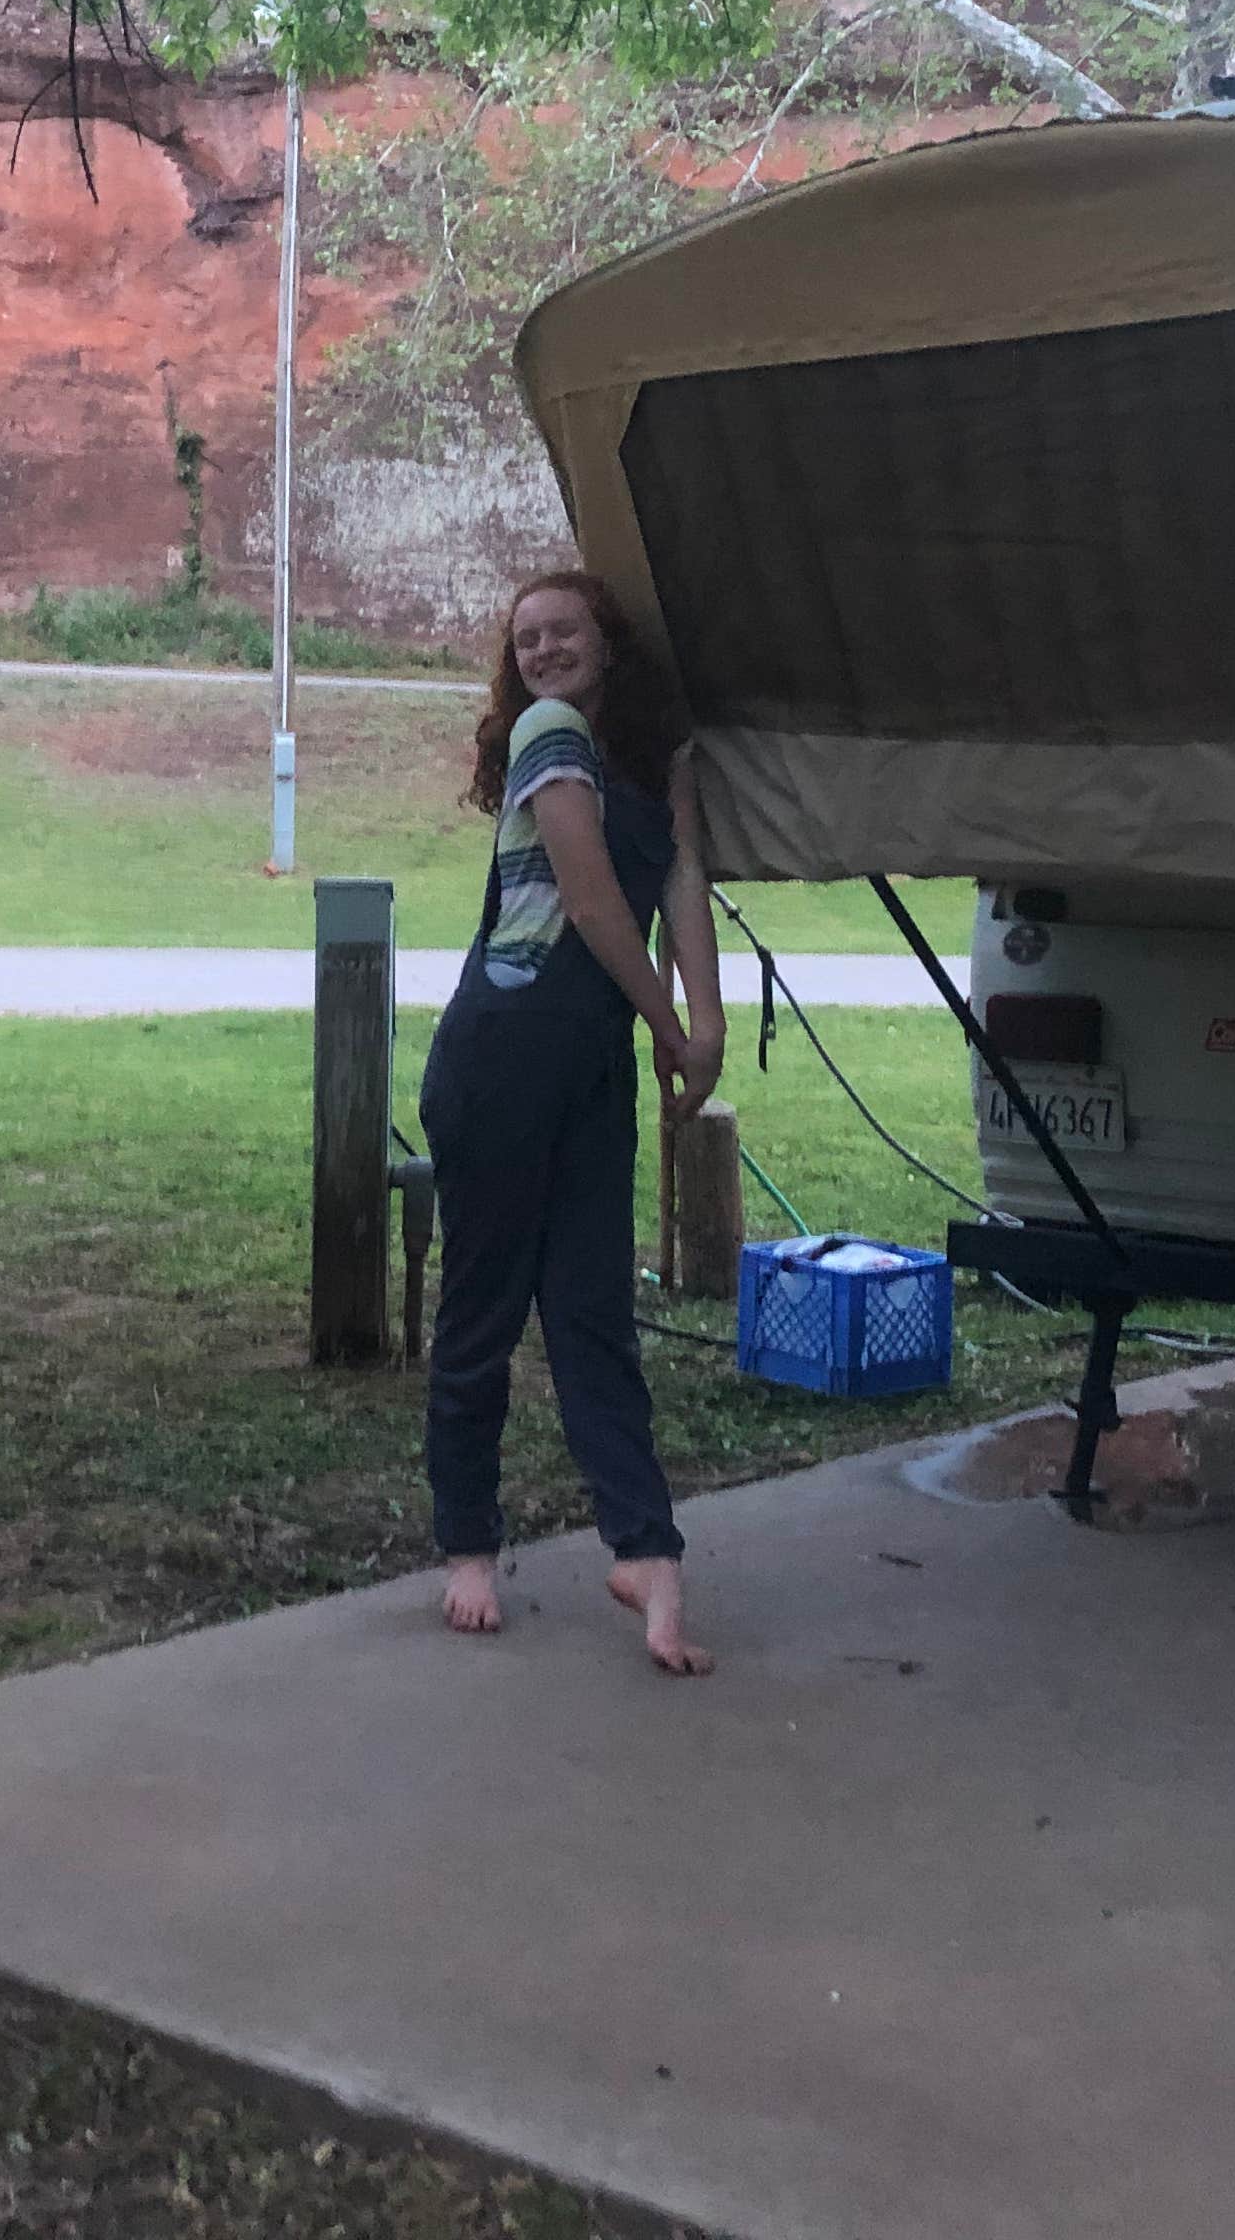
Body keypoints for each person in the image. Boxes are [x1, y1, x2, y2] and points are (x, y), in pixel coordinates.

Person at [417, 569, 724, 1676]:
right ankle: (466, 1547)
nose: (544, 652)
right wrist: (671, 1027)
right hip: (504, 1056)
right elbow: (594, 905)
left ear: (609, 640)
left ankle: (646, 1553)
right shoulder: (546, 734)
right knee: (487, 1308)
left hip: (589, 1064)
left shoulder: (658, 756)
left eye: (564, 632)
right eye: (526, 639)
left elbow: (681, 874)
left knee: (593, 1311)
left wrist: (711, 1016)